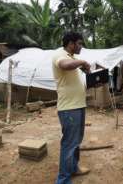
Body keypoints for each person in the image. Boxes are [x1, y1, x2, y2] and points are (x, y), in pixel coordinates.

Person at [52, 32, 91, 184]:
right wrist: (82, 62)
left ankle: (74, 168)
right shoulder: (59, 54)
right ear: (71, 44)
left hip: (78, 105)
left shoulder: (72, 57)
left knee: (76, 141)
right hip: (69, 108)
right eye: (79, 43)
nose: (81, 46)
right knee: (69, 143)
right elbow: (64, 65)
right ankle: (63, 180)